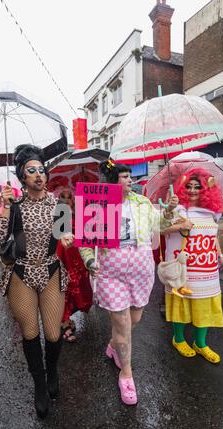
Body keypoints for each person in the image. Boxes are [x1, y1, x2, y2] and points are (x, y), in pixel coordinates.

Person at [79, 160, 178, 405]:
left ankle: (114, 345)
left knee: (134, 320)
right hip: (111, 270)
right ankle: (126, 374)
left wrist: (167, 212)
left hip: (141, 268)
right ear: (112, 181)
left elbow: (160, 225)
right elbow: (85, 240)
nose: (129, 180)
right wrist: (91, 261)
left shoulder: (142, 202)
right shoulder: (98, 203)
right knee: (122, 325)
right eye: (124, 177)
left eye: (129, 177)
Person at [0, 144, 74, 419]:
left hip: (50, 270)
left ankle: (52, 373)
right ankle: (40, 385)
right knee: (30, 333)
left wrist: (66, 237)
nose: (38, 174)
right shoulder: (14, 207)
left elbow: (64, 235)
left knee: (52, 333)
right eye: (31, 171)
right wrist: (4, 207)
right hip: (22, 273)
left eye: (41, 169)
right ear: (22, 178)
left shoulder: (59, 204)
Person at [161, 168, 223, 364]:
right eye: (189, 186)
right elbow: (159, 230)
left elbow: (213, 238)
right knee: (181, 302)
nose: (193, 190)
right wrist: (179, 226)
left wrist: (221, 259)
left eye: (197, 187)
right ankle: (178, 339)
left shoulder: (211, 212)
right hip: (183, 268)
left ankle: (200, 344)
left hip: (207, 268)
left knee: (205, 306)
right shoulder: (175, 210)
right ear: (182, 188)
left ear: (205, 190)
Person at [56, 187, 93, 342]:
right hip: (64, 258)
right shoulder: (57, 215)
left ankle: (66, 320)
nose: (66, 199)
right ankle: (64, 323)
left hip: (79, 258)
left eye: (69, 196)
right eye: (63, 196)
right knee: (64, 291)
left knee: (81, 291)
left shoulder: (81, 214)